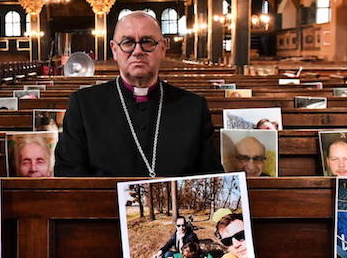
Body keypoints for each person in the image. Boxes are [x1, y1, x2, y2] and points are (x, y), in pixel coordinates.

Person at [54, 11, 223, 177]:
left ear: (163, 48)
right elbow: (69, 175)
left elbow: (212, 177)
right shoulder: (84, 105)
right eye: (128, 42)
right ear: (114, 49)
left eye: (147, 42)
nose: (137, 51)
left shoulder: (193, 107)